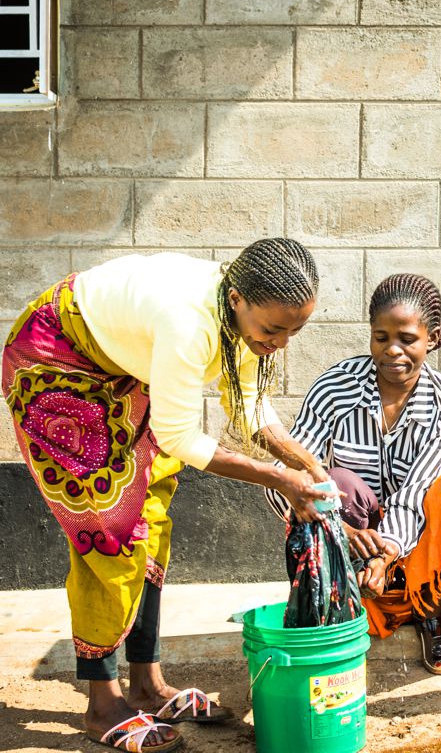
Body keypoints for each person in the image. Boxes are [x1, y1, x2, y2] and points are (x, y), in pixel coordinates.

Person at [2, 238, 333, 753]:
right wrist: (278, 479)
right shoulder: (188, 321)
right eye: (273, 330)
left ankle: (147, 685)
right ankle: (102, 702)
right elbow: (180, 437)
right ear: (238, 299)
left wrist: (307, 464)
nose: (282, 343)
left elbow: (249, 409)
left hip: (120, 371)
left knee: (151, 518)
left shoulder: (242, 322)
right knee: (110, 531)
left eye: (296, 330)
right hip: (58, 361)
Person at [265, 273, 441, 675]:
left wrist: (386, 551)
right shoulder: (335, 388)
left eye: (407, 338)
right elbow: (286, 473)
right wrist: (342, 529)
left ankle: (433, 611)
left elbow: (414, 494)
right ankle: (345, 596)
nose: (393, 351)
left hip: (416, 537)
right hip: (352, 532)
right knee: (340, 483)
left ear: (433, 339)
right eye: (381, 337)